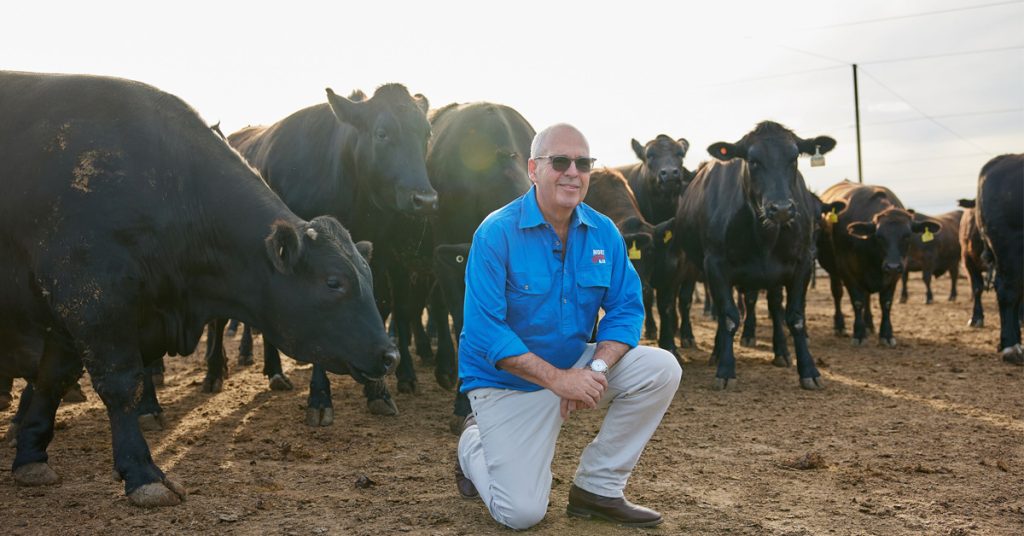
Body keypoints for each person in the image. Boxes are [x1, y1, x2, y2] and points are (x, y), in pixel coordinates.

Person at [456, 123, 682, 529]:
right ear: (533, 169)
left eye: (583, 162)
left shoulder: (604, 232)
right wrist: (559, 380)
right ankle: (472, 443)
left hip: (573, 366)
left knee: (662, 368)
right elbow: (485, 330)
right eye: (559, 161)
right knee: (521, 514)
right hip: (506, 382)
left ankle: (597, 489)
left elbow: (626, 310)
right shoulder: (496, 233)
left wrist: (594, 369)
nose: (572, 172)